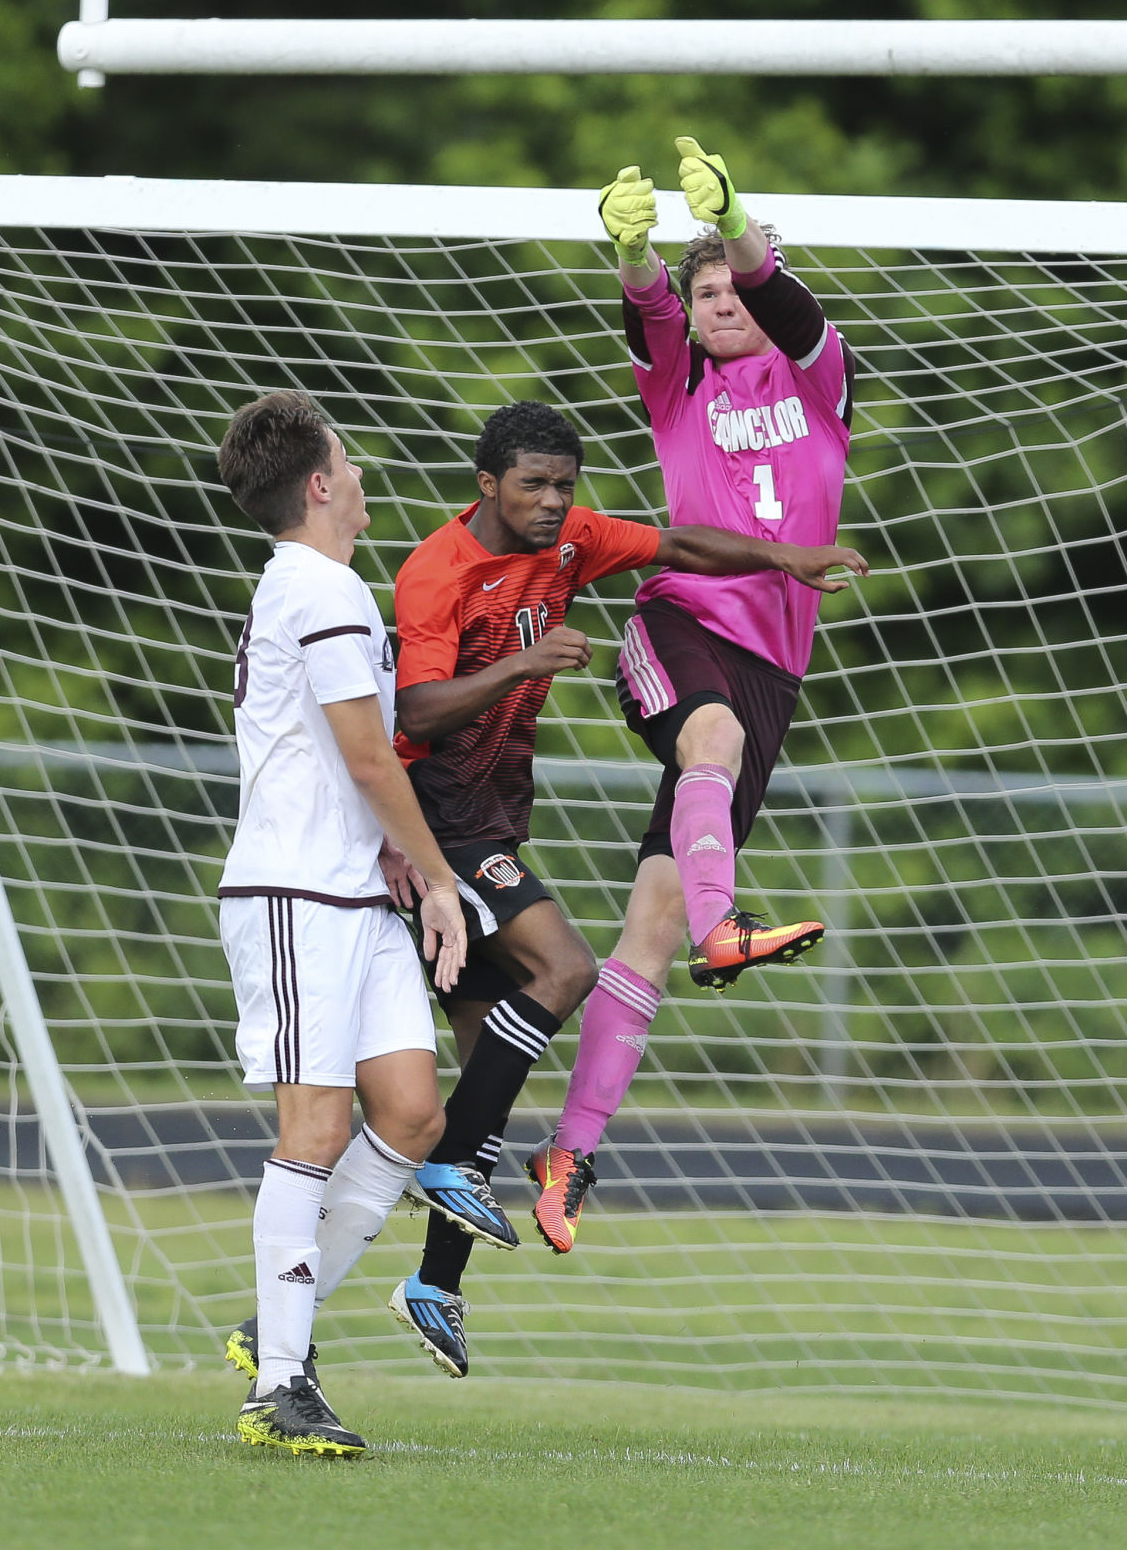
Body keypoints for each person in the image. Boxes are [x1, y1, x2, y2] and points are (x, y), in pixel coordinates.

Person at [388, 397, 864, 1376]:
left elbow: (674, 539)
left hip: (489, 822)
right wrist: (527, 657)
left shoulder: (571, 542)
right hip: (435, 823)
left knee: (480, 1093)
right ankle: (428, 1199)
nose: (554, 503)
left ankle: (431, 1284)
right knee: (564, 969)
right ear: (486, 485)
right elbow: (418, 706)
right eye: (533, 484)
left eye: (565, 485)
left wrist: (783, 559)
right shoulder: (437, 571)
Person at [529, 134, 864, 1258]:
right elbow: (648, 309)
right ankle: (731, 925)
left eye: (732, 286)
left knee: (651, 926)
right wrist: (635, 254)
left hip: (775, 670)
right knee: (704, 733)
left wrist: (743, 226)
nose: (716, 300)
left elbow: (785, 290)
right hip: (679, 628)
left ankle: (568, 1151)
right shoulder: (678, 391)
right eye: (701, 287)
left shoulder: (821, 386)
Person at [214, 389, 511, 1457]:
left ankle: (273, 1330)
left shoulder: (321, 587)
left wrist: (395, 861)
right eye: (351, 457)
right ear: (320, 483)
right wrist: (438, 878)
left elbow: (354, 764)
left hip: (357, 888)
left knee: (413, 1115)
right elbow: (368, 757)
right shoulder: (322, 590)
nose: (363, 472)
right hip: (297, 898)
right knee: (315, 1132)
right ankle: (280, 1388)